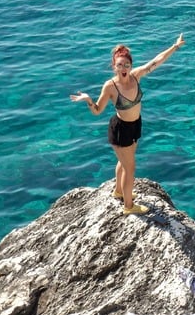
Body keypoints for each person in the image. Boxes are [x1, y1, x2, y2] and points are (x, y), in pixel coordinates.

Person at [71, 34, 185, 214]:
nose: (123, 68)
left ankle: (118, 192)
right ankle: (128, 206)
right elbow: (97, 111)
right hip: (120, 129)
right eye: (119, 65)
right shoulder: (110, 86)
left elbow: (156, 62)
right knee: (129, 168)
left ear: (130, 65)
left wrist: (175, 46)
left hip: (135, 125)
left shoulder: (136, 76)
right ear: (113, 66)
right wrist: (88, 100)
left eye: (126, 64)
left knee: (124, 163)